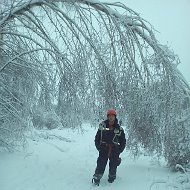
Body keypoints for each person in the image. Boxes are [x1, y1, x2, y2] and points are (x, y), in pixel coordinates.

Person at [92, 109, 126, 185]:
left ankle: (112, 178)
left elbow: (123, 141)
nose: (111, 118)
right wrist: (99, 147)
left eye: (112, 116)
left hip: (114, 149)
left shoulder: (119, 128)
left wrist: (120, 150)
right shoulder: (103, 126)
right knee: (101, 164)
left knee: (113, 165)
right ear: (107, 117)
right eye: (109, 116)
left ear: (115, 117)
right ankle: (97, 177)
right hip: (104, 148)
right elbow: (97, 138)